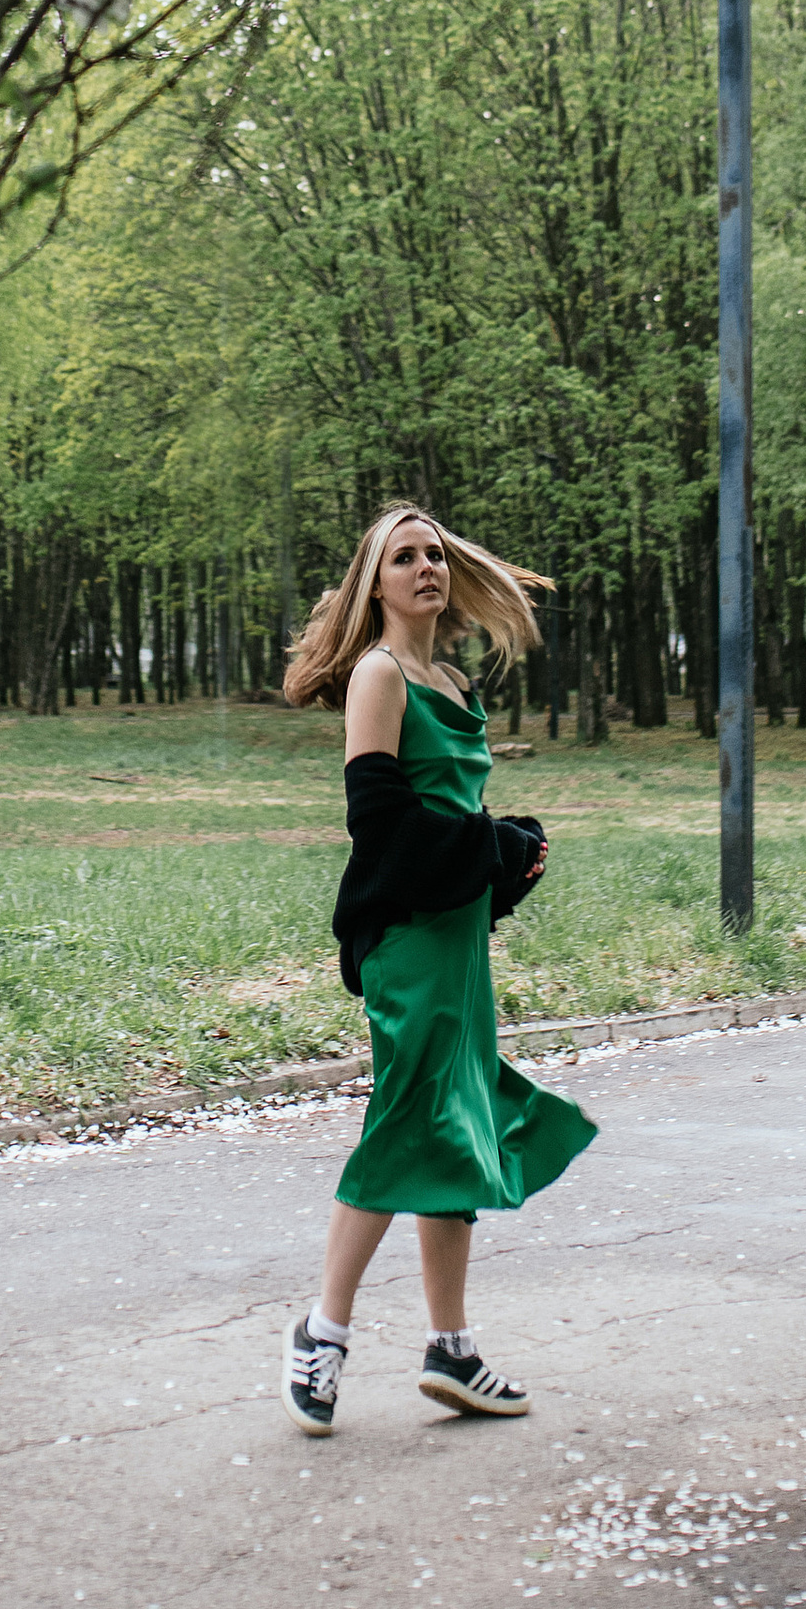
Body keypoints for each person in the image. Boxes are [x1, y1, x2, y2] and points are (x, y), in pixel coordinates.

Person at [278, 503, 597, 1436]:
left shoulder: (451, 680)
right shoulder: (378, 677)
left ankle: (450, 1351)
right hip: (408, 941)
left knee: (456, 1125)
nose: (424, 568)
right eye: (403, 557)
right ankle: (321, 1334)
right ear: (374, 582)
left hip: (459, 942)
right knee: (411, 1121)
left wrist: (505, 860)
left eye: (433, 555)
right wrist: (486, 845)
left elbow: (457, 819)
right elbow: (381, 827)